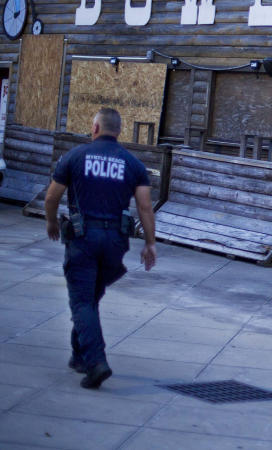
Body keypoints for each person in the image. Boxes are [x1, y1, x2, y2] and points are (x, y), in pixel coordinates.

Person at [44, 107, 157, 389]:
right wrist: (150, 243)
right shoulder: (133, 164)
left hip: (83, 238)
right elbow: (144, 206)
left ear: (94, 128)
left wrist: (51, 223)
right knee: (90, 297)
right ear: (118, 130)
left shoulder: (74, 156)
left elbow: (51, 197)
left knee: (82, 300)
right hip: (115, 242)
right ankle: (79, 355)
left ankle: (96, 362)